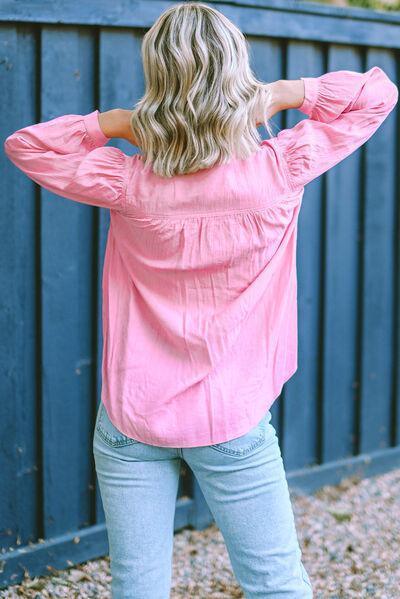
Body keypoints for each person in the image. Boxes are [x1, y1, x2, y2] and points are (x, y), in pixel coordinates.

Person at [4, 2, 398, 597]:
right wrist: (281, 93)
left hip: (132, 417)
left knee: (137, 586)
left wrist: (115, 124)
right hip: (229, 418)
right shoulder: (281, 167)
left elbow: (27, 145)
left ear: (157, 77)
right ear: (237, 68)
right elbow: (376, 95)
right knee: (276, 583)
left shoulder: (127, 181)